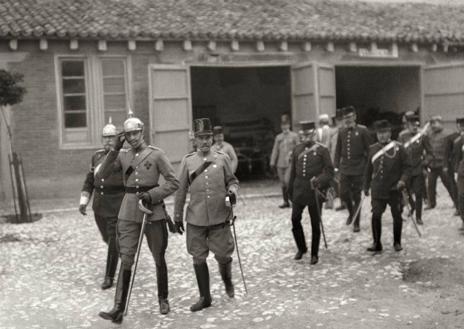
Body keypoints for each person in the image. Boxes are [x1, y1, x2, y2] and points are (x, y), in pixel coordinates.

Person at [98, 113, 179, 322]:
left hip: (153, 211)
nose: (132, 137)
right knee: (126, 257)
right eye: (128, 134)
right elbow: (102, 174)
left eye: (135, 133)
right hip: (128, 211)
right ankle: (118, 307)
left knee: (158, 255)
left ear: (142, 132)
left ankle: (163, 298)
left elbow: (173, 182)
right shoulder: (122, 155)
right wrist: (115, 148)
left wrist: (152, 195)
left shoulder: (156, 155)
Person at [174, 118, 239, 312]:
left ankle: (227, 281)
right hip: (196, 218)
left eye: (208, 137)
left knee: (223, 255)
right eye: (200, 138)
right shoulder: (187, 162)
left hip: (220, 216)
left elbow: (232, 181)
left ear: (212, 138)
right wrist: (177, 216)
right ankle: (205, 297)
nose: (204, 142)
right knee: (198, 257)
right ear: (194, 140)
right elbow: (180, 191)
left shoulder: (222, 158)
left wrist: (232, 192)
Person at [79, 118, 124, 290]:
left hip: (116, 204)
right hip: (99, 206)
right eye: (105, 137)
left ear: (117, 139)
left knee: (113, 240)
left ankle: (109, 276)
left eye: (111, 137)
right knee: (107, 238)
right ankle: (120, 252)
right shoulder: (96, 156)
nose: (107, 140)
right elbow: (90, 180)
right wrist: (84, 200)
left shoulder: (123, 155)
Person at [288, 121, 334, 264]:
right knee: (295, 219)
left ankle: (314, 254)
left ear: (314, 133)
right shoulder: (297, 149)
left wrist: (319, 180)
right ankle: (301, 248)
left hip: (315, 190)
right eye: (304, 134)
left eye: (309, 134)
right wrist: (290, 191)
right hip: (299, 190)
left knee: (315, 222)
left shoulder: (322, 150)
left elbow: (329, 171)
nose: (306, 137)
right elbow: (293, 173)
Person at [364, 120, 410, 253]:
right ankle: (376, 243)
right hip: (378, 189)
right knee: (376, 215)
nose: (382, 136)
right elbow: (368, 169)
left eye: (384, 133)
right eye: (379, 133)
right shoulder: (373, 149)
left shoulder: (399, 148)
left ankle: (397, 242)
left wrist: (402, 181)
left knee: (397, 215)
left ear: (390, 133)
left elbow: (407, 168)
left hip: (394, 189)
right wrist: (366, 186)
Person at [334, 106, 373, 232]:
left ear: (355, 117)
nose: (347, 120)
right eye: (345, 118)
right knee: (343, 194)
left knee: (356, 196)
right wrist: (335, 166)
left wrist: (369, 167)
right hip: (345, 167)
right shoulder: (341, 132)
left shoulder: (363, 130)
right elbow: (338, 150)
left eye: (350, 117)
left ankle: (356, 222)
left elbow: (370, 151)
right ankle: (351, 213)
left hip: (359, 168)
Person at [398, 115, 433, 225]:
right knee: (406, 192)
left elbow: (430, 153)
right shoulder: (402, 136)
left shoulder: (423, 136)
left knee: (418, 193)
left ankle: (418, 217)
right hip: (406, 170)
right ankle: (412, 206)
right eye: (412, 125)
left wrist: (424, 163)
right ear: (407, 125)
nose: (414, 127)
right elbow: (399, 152)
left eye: (416, 125)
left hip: (418, 169)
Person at [425, 116, 458, 210]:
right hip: (433, 164)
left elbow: (454, 149)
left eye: (434, 123)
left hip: (444, 164)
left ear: (440, 123)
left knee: (450, 185)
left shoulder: (449, 133)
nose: (433, 126)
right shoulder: (430, 134)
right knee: (430, 185)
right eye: (431, 124)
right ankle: (431, 203)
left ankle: (457, 203)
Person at [270, 114, 299, 208]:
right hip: (280, 163)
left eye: (286, 125)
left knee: (288, 181)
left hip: (290, 163)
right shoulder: (278, 137)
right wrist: (272, 161)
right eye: (283, 125)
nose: (284, 127)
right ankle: (286, 201)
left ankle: (294, 200)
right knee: (283, 182)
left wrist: (295, 156)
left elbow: (298, 148)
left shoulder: (294, 136)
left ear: (289, 125)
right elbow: (275, 150)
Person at [444, 119, 462, 216]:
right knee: (455, 189)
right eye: (461, 126)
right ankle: (458, 208)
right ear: (458, 126)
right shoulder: (452, 138)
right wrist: (446, 166)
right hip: (454, 167)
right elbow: (446, 153)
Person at [452, 117, 464, 229]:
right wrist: (456, 171)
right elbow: (456, 158)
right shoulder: (458, 142)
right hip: (462, 174)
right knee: (461, 196)